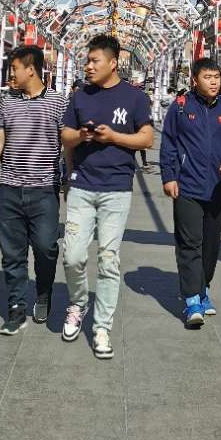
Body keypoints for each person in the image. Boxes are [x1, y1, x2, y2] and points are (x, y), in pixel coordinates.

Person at [61, 33, 153, 359]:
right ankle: (78, 304)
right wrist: (82, 135)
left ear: (113, 63)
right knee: (72, 255)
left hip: (116, 189)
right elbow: (66, 137)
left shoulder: (135, 98)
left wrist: (113, 136)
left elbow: (146, 140)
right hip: (82, 186)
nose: (87, 66)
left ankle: (102, 326)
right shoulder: (79, 97)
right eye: (86, 60)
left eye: (94, 60)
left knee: (108, 260)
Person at [0, 45, 66, 336]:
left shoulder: (58, 103)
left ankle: (43, 291)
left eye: (14, 68)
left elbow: (67, 144)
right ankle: (16, 309)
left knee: (46, 247)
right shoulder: (6, 101)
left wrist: (69, 180)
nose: (11, 73)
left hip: (44, 190)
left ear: (31, 69)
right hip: (10, 190)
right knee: (12, 253)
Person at [160, 59, 221, 327]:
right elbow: (169, 143)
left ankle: (203, 286)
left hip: (216, 187)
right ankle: (192, 299)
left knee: (211, 243)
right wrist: (169, 176)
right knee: (190, 243)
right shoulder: (181, 107)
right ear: (194, 80)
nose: (214, 81)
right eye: (208, 77)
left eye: (217, 76)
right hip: (187, 186)